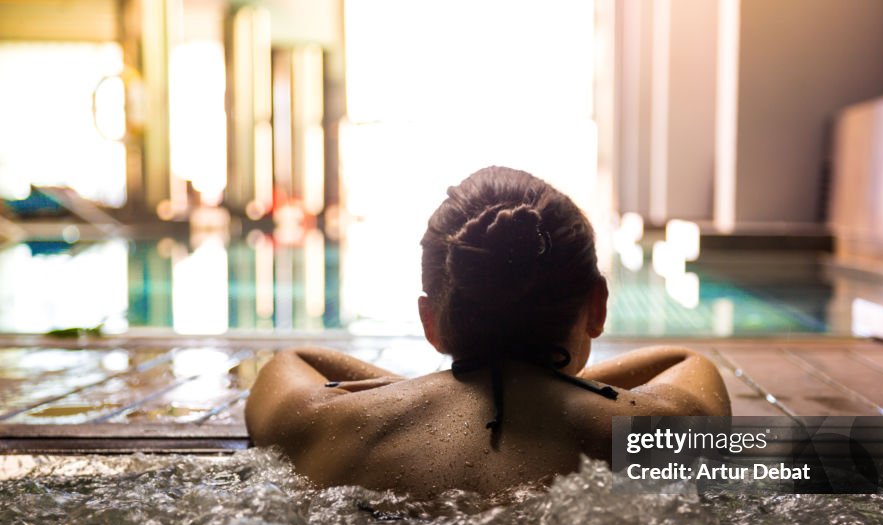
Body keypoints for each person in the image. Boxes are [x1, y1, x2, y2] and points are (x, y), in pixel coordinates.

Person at [245, 167, 730, 495]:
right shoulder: (660, 432)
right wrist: (555, 387)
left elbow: (292, 361)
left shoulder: (323, 425)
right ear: (597, 307)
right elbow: (685, 362)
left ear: (430, 323)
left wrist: (412, 391)